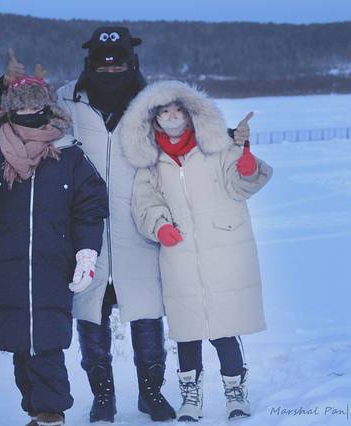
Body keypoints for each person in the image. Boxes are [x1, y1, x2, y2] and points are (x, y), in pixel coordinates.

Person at [0, 66, 109, 426]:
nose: (28, 114)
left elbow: (90, 206)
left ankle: (51, 413)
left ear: (47, 108)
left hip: (53, 263)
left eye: (35, 107)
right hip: (4, 265)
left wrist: (87, 252)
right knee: (21, 343)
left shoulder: (68, 152)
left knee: (45, 341)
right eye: (21, 108)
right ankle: (37, 410)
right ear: (10, 109)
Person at [118, 80, 273, 422]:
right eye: (164, 111)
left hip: (223, 251)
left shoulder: (217, 147)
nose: (172, 116)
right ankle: (191, 396)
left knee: (225, 326)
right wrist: (160, 225)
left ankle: (235, 393)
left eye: (178, 110)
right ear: (154, 119)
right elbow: (145, 203)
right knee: (187, 330)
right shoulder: (151, 162)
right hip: (179, 255)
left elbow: (239, 184)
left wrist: (247, 166)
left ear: (190, 114)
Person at [53, 27, 178, 422]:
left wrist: (223, 141)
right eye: (103, 65)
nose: (110, 71)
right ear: (89, 62)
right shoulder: (67, 99)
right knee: (91, 312)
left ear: (131, 62)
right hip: (84, 229)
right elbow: (40, 133)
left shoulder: (152, 102)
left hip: (138, 226)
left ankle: (151, 393)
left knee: (146, 312)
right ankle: (102, 396)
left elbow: (181, 138)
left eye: (118, 65)